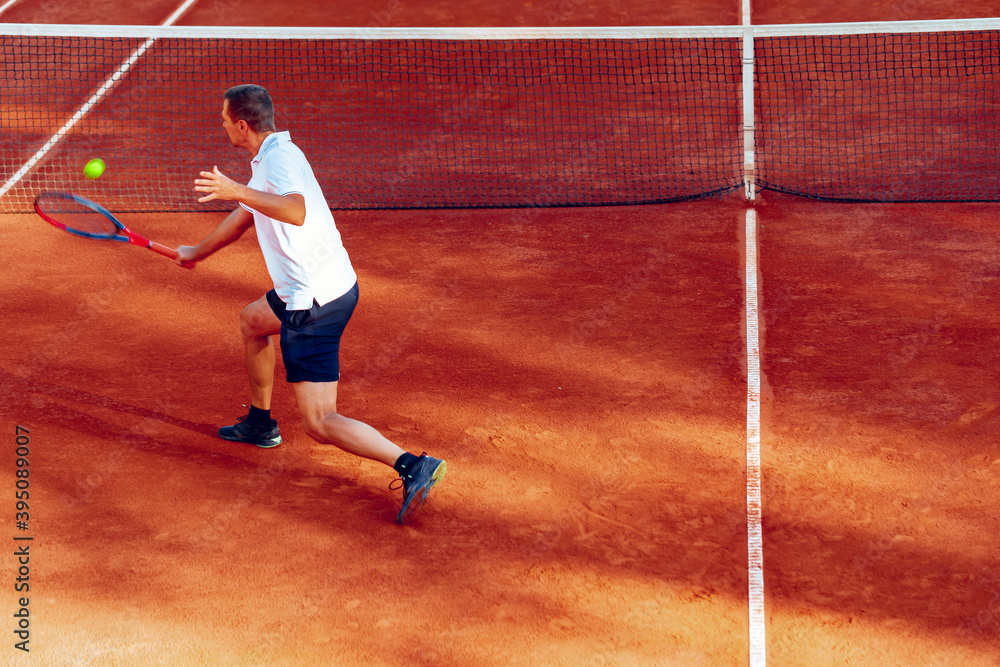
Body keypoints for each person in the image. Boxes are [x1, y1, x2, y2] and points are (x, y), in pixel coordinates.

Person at [176, 84, 445, 524]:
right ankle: (261, 423)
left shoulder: (278, 161)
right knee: (252, 321)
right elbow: (245, 216)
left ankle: (413, 464)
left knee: (319, 422)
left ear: (241, 125)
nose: (221, 125)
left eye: (224, 119)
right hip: (321, 285)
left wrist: (234, 189)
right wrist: (198, 251)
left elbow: (294, 211)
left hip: (313, 302)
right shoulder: (275, 154)